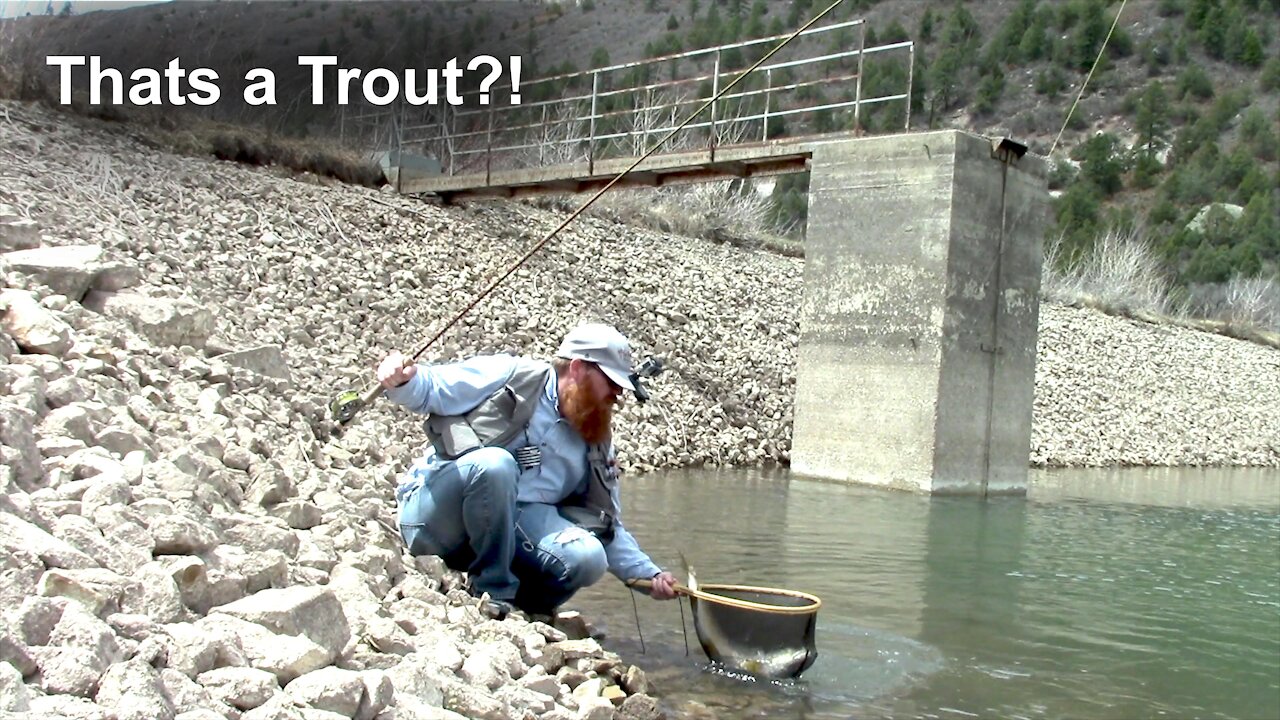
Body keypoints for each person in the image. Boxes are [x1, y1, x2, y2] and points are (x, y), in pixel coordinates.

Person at [377, 322, 678, 619]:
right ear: (577, 369)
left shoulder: (596, 441)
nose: (617, 395)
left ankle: (526, 611)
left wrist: (648, 575)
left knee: (589, 557)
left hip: (508, 535)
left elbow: (608, 526)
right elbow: (431, 387)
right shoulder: (512, 376)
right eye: (611, 383)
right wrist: (401, 379)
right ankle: (493, 591)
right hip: (435, 525)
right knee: (496, 465)